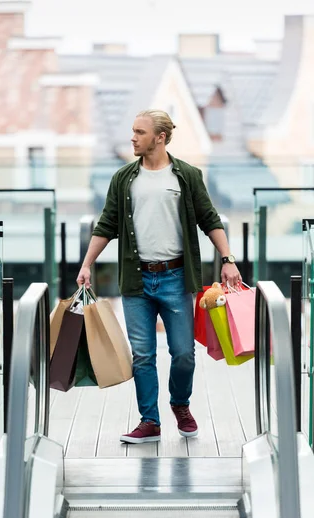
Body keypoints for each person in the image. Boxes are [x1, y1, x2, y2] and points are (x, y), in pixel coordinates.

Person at [76, 109, 241, 444]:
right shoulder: (123, 178)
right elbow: (107, 224)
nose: (133, 137)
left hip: (177, 279)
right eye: (132, 131)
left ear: (160, 137)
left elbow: (209, 219)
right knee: (143, 354)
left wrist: (228, 259)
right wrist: (86, 264)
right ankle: (149, 420)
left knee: (182, 353)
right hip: (137, 282)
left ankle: (180, 404)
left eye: (139, 132)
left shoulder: (187, 176)